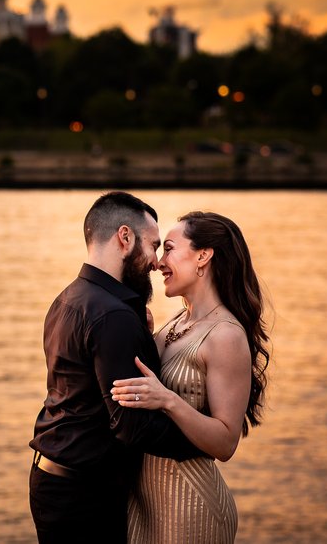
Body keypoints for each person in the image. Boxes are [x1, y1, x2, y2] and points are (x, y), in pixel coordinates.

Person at [29, 192, 205, 544]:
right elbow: (131, 426)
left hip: (53, 480)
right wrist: (206, 439)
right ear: (125, 238)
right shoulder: (113, 316)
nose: (156, 262)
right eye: (153, 246)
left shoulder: (68, 298)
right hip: (85, 496)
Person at [110, 211, 270, 544]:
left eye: (168, 248)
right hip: (143, 506)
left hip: (189, 507)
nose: (158, 262)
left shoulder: (226, 335)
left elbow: (225, 443)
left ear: (203, 256)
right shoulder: (173, 324)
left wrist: (167, 400)